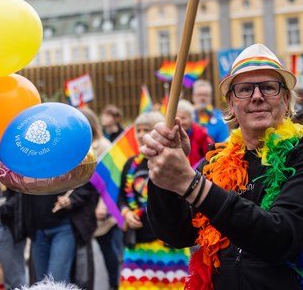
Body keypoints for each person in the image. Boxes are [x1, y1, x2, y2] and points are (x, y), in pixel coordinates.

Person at [143, 44, 303, 289]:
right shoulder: (217, 162)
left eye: (269, 87)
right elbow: (176, 234)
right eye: (245, 89)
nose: (257, 96)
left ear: (286, 98)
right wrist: (163, 172)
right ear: (231, 103)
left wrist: (192, 184)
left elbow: (280, 238)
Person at [117, 111, 190, 289]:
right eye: (138, 130)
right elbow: (122, 197)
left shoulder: (170, 162)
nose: (141, 134)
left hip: (167, 243)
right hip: (138, 243)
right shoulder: (130, 164)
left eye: (146, 130)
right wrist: (126, 214)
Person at [25, 181, 99, 286]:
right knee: (40, 282)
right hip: (37, 229)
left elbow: (87, 183)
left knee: (57, 280)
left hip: (63, 227)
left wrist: (71, 200)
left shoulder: (72, 164)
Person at [79, 108, 121, 290]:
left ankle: (114, 284)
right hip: (84, 206)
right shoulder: (79, 146)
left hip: (100, 206)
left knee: (107, 249)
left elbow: (110, 179)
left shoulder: (103, 145)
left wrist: (103, 205)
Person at [0, 162, 28, 290]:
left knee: (14, 278)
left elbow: (21, 197)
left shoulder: (14, 167)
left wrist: (0, 210)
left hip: (7, 226)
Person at [177, 99, 214, 167]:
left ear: (191, 119)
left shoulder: (201, 134)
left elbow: (211, 155)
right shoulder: (171, 135)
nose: (180, 122)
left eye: (183, 118)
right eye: (177, 118)